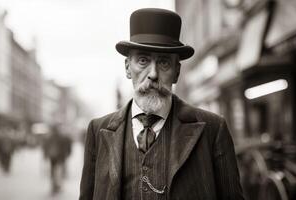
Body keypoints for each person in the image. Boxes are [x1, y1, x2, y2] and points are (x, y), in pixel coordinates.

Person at [79, 8, 244, 200]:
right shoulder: (98, 131)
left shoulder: (213, 130)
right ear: (127, 68)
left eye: (164, 63)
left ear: (176, 72)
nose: (153, 74)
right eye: (142, 60)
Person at [43, 125, 72, 195]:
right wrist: (67, 154)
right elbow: (65, 148)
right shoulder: (61, 137)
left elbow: (45, 147)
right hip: (59, 157)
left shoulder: (49, 137)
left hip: (53, 157)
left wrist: (45, 155)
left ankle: (55, 185)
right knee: (58, 171)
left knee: (54, 171)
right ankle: (57, 185)